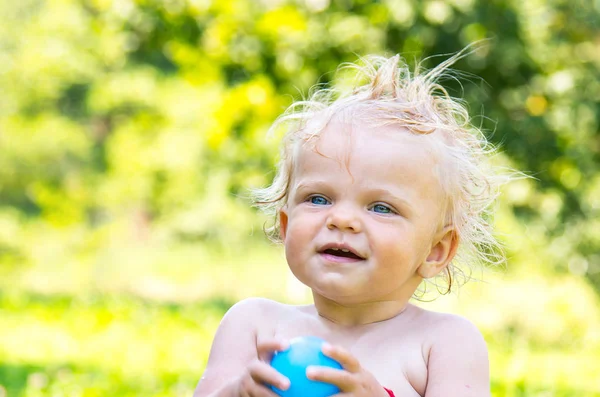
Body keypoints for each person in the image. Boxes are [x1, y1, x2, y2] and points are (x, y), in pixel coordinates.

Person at [194, 48, 507, 397]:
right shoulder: (254, 325)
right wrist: (238, 392)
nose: (342, 218)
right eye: (318, 199)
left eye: (381, 208)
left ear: (435, 251)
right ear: (285, 225)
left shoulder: (445, 344)